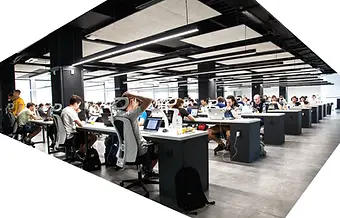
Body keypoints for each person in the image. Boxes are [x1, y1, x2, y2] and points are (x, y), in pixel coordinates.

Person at [116, 92, 157, 175]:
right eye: (135, 101)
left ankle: (145, 169)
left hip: (127, 150)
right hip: (140, 151)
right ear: (131, 101)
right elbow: (149, 100)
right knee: (157, 145)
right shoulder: (130, 115)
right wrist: (134, 95)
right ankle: (148, 170)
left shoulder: (117, 114)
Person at [61, 95, 97, 159]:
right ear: (75, 103)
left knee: (84, 134)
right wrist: (83, 122)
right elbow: (81, 124)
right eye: (78, 105)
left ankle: (80, 152)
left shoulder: (65, 110)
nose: (78, 107)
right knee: (93, 137)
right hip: (71, 137)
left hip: (66, 136)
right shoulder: (71, 111)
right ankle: (81, 152)